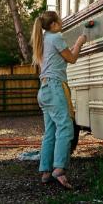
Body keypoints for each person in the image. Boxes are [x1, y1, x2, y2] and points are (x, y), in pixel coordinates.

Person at [30, 11, 87, 189]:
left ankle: (46, 171)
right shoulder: (55, 37)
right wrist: (80, 42)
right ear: (53, 24)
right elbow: (72, 58)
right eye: (59, 20)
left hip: (44, 89)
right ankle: (59, 169)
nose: (62, 22)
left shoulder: (44, 38)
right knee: (65, 128)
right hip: (55, 88)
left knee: (51, 130)